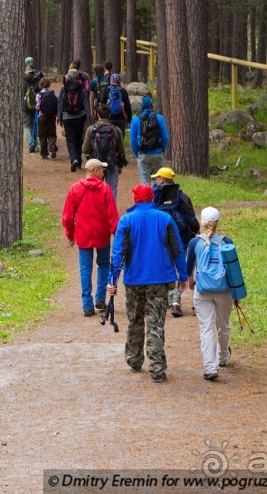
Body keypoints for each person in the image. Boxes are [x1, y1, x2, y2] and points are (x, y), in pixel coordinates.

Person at [108, 184, 188, 383]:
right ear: (152, 198)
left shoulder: (126, 221)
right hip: (160, 280)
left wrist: (112, 281)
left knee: (134, 319)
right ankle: (157, 368)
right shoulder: (165, 218)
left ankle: (134, 359)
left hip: (134, 279)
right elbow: (177, 249)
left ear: (135, 199)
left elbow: (118, 253)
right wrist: (183, 275)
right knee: (155, 323)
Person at [62, 159, 119, 317]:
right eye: (101, 169)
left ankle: (87, 305)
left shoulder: (75, 189)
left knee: (85, 269)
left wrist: (70, 234)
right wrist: (118, 234)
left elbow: (67, 216)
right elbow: (112, 216)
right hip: (102, 233)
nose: (103, 172)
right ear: (95, 171)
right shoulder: (105, 189)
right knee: (104, 265)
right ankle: (100, 298)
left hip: (83, 234)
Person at [186, 207, 234, 381]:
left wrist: (191, 282)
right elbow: (233, 269)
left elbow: (189, 268)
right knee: (223, 325)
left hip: (202, 290)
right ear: (218, 223)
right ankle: (223, 357)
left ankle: (210, 367)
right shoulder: (226, 241)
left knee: (206, 329)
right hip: (224, 290)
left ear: (202, 222)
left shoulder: (194, 243)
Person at [152, 167, 200, 317]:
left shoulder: (156, 195)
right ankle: (175, 303)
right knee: (180, 268)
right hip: (182, 238)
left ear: (162, 179)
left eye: (157, 178)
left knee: (166, 267)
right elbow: (191, 218)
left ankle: (168, 298)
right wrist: (194, 231)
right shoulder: (182, 196)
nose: (156, 180)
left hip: (161, 239)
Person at [82, 105, 127, 200]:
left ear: (97, 115)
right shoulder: (116, 130)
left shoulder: (91, 129)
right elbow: (121, 150)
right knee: (112, 191)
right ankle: (110, 209)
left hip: (95, 165)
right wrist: (120, 164)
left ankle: (96, 208)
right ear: (109, 115)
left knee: (94, 190)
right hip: (112, 163)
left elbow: (85, 150)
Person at [130, 96, 169, 185]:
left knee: (145, 182)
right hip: (157, 153)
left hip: (143, 154)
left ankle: (146, 194)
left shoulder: (135, 120)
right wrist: (162, 150)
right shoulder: (159, 118)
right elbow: (165, 137)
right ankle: (158, 194)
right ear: (152, 105)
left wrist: (137, 154)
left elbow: (133, 141)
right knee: (159, 182)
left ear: (142, 105)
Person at [57, 69, 90, 172]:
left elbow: (60, 104)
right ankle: (79, 162)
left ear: (69, 76)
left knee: (70, 140)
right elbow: (86, 105)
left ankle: (73, 159)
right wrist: (87, 120)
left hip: (67, 117)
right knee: (78, 139)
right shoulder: (82, 88)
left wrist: (60, 118)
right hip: (80, 118)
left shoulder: (64, 88)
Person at [103, 73, 132, 138]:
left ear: (111, 80)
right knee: (120, 137)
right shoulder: (123, 91)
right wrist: (129, 119)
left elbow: (103, 104)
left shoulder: (106, 90)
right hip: (121, 118)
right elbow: (128, 106)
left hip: (109, 117)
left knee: (110, 137)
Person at [36, 76, 59, 159]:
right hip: (52, 116)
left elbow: (38, 107)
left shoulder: (39, 94)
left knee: (42, 135)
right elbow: (58, 103)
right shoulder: (54, 93)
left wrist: (37, 107)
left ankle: (44, 154)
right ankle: (52, 145)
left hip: (42, 117)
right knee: (52, 133)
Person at [24, 67, 40, 153]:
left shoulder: (23, 82)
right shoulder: (37, 81)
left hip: (26, 107)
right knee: (35, 124)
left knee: (27, 126)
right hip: (36, 106)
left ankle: (31, 143)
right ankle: (36, 143)